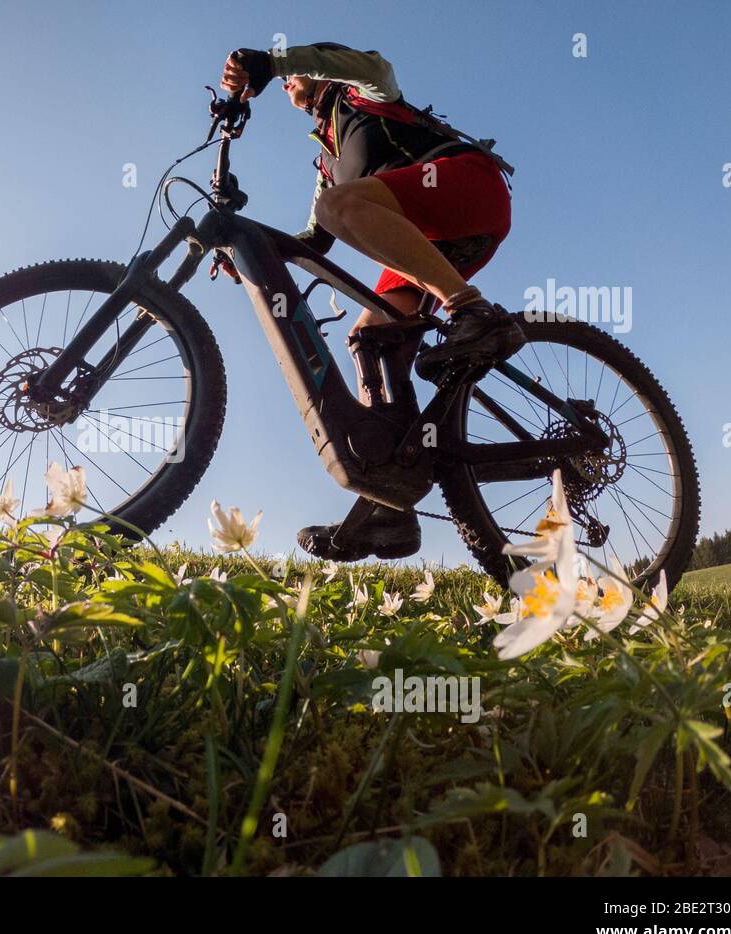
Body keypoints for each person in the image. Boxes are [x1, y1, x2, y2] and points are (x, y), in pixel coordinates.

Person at [220, 42, 524, 562]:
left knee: (341, 205)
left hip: (466, 188)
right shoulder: (329, 162)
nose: (289, 84)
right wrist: (245, 254)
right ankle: (390, 505)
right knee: (368, 335)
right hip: (432, 244)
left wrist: (272, 63)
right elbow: (314, 240)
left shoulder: (364, 93)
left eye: (296, 75)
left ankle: (472, 311)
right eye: (286, 78)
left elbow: (370, 62)